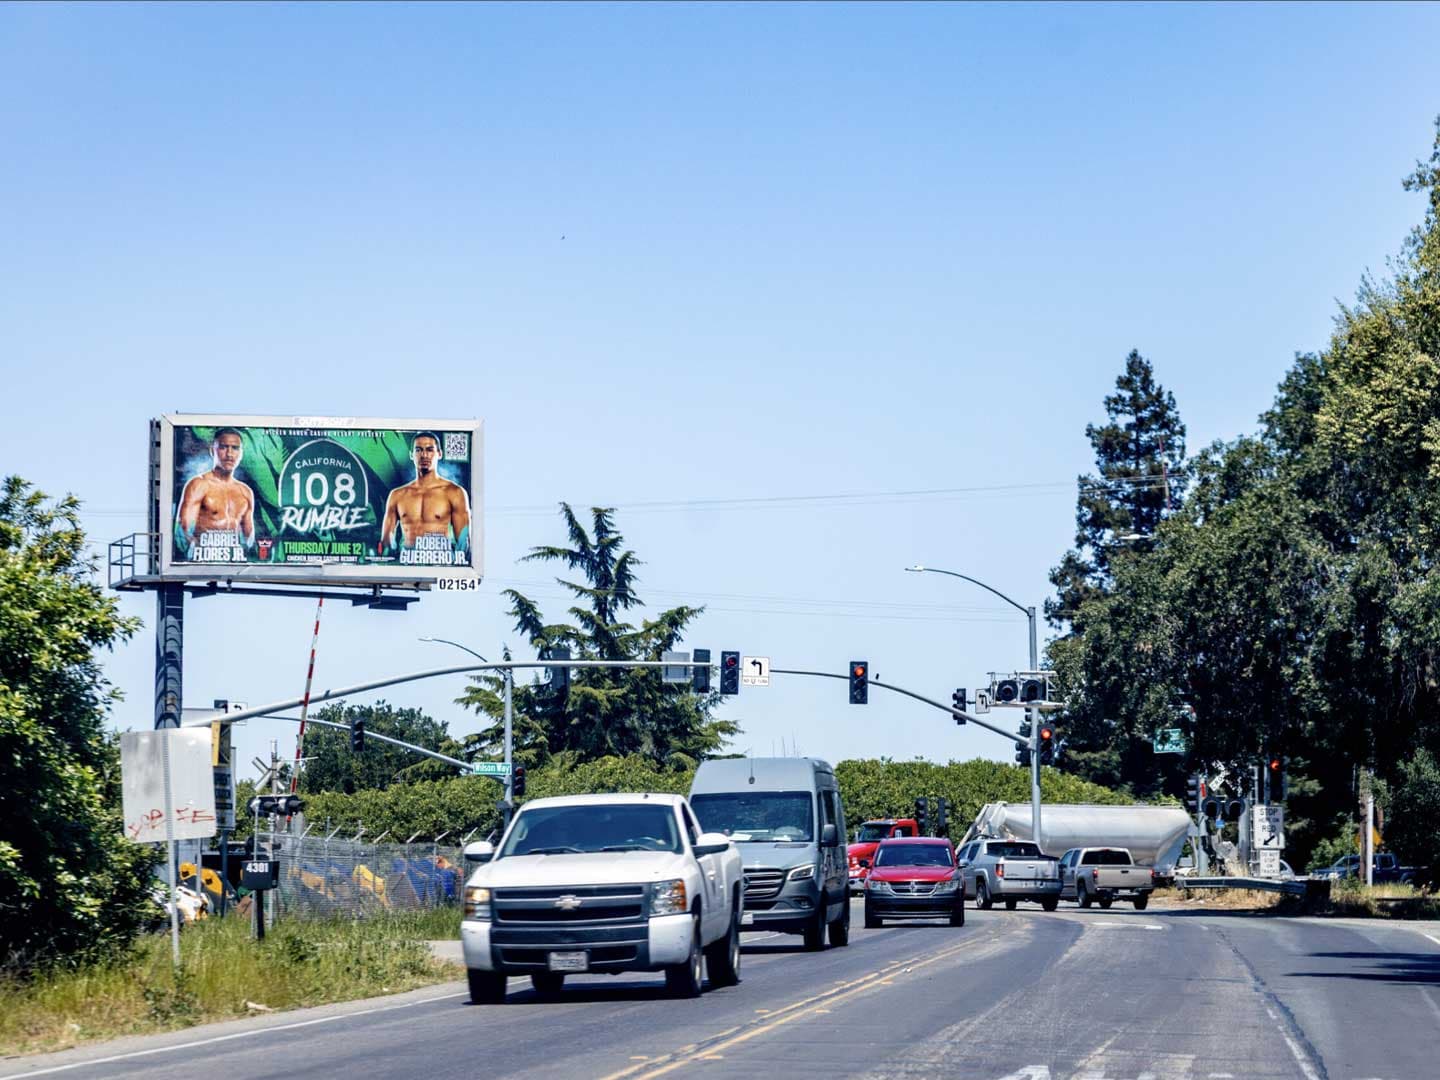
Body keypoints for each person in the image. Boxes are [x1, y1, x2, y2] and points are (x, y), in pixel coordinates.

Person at [378, 432, 471, 563]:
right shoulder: (397, 495)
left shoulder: (454, 492)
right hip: (406, 565)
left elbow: (464, 543)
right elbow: (386, 542)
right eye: (418, 450)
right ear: (411, 455)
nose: (424, 455)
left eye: (429, 449)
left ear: (439, 454)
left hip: (441, 564)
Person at [175, 428, 255, 560]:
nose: (229, 454)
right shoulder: (198, 485)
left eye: (235, 448)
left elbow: (249, 537)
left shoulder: (245, 492)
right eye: (223, 447)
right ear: (213, 450)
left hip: (234, 562)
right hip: (202, 560)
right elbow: (183, 529)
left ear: (241, 454)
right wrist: (197, 555)